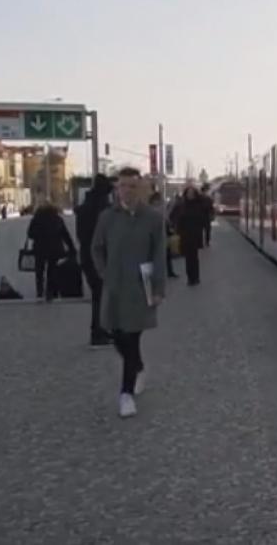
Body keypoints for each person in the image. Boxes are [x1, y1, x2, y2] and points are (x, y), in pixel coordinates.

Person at [91, 167, 166, 419]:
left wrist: (159, 288)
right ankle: (139, 366)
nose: (127, 191)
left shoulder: (152, 219)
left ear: (141, 188)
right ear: (117, 189)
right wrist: (104, 272)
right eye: (123, 186)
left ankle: (126, 394)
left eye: (132, 186)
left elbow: (159, 254)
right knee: (115, 333)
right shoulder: (107, 217)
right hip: (115, 286)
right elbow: (96, 248)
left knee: (132, 336)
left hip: (141, 286)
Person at [76, 174, 116, 347]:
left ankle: (101, 329)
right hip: (100, 256)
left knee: (99, 294)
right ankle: (98, 332)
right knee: (101, 295)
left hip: (87, 255)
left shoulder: (85, 207)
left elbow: (81, 235)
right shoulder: (102, 209)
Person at [27, 200, 76, 302]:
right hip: (55, 250)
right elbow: (65, 234)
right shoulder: (57, 219)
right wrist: (72, 248)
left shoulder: (36, 219)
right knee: (52, 271)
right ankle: (50, 292)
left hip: (40, 250)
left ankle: (40, 291)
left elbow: (30, 234)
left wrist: (39, 236)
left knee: (39, 272)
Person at [173, 186, 210, 286]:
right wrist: (177, 229)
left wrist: (203, 227)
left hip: (195, 234)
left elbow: (204, 218)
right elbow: (176, 217)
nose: (190, 195)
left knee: (194, 256)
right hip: (185, 234)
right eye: (188, 193)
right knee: (188, 257)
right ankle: (190, 278)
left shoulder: (199, 205)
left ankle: (196, 277)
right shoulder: (181, 205)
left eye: (192, 193)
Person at [148, 191, 178, 279]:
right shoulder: (151, 210)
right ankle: (161, 272)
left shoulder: (161, 208)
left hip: (164, 231)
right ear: (154, 200)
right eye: (158, 199)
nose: (160, 201)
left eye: (160, 199)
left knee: (167, 253)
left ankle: (169, 272)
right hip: (156, 233)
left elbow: (171, 207)